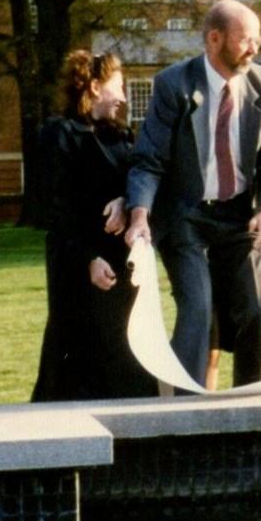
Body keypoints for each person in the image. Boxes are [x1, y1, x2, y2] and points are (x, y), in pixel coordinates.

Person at [126, 0, 261, 388]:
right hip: (187, 216)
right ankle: (187, 412)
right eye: (246, 39)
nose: (255, 48)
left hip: (239, 216)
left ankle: (248, 402)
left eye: (258, 40)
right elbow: (149, 160)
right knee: (197, 313)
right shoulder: (172, 84)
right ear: (215, 39)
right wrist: (140, 215)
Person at [32, 51, 154, 401]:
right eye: (118, 86)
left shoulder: (120, 137)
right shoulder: (59, 134)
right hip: (76, 265)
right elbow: (56, 207)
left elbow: (137, 185)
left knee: (122, 354)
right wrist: (88, 257)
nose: (124, 97)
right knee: (74, 359)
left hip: (118, 265)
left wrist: (126, 202)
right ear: (96, 86)